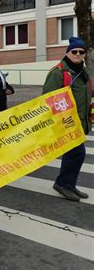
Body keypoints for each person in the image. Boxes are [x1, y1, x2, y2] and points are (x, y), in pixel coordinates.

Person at [43, 37, 92, 202]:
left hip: (79, 122)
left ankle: (68, 184)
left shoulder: (82, 74)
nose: (78, 54)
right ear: (68, 53)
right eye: (74, 51)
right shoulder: (59, 73)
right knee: (77, 153)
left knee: (76, 155)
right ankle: (63, 184)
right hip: (66, 123)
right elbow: (47, 99)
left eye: (81, 52)